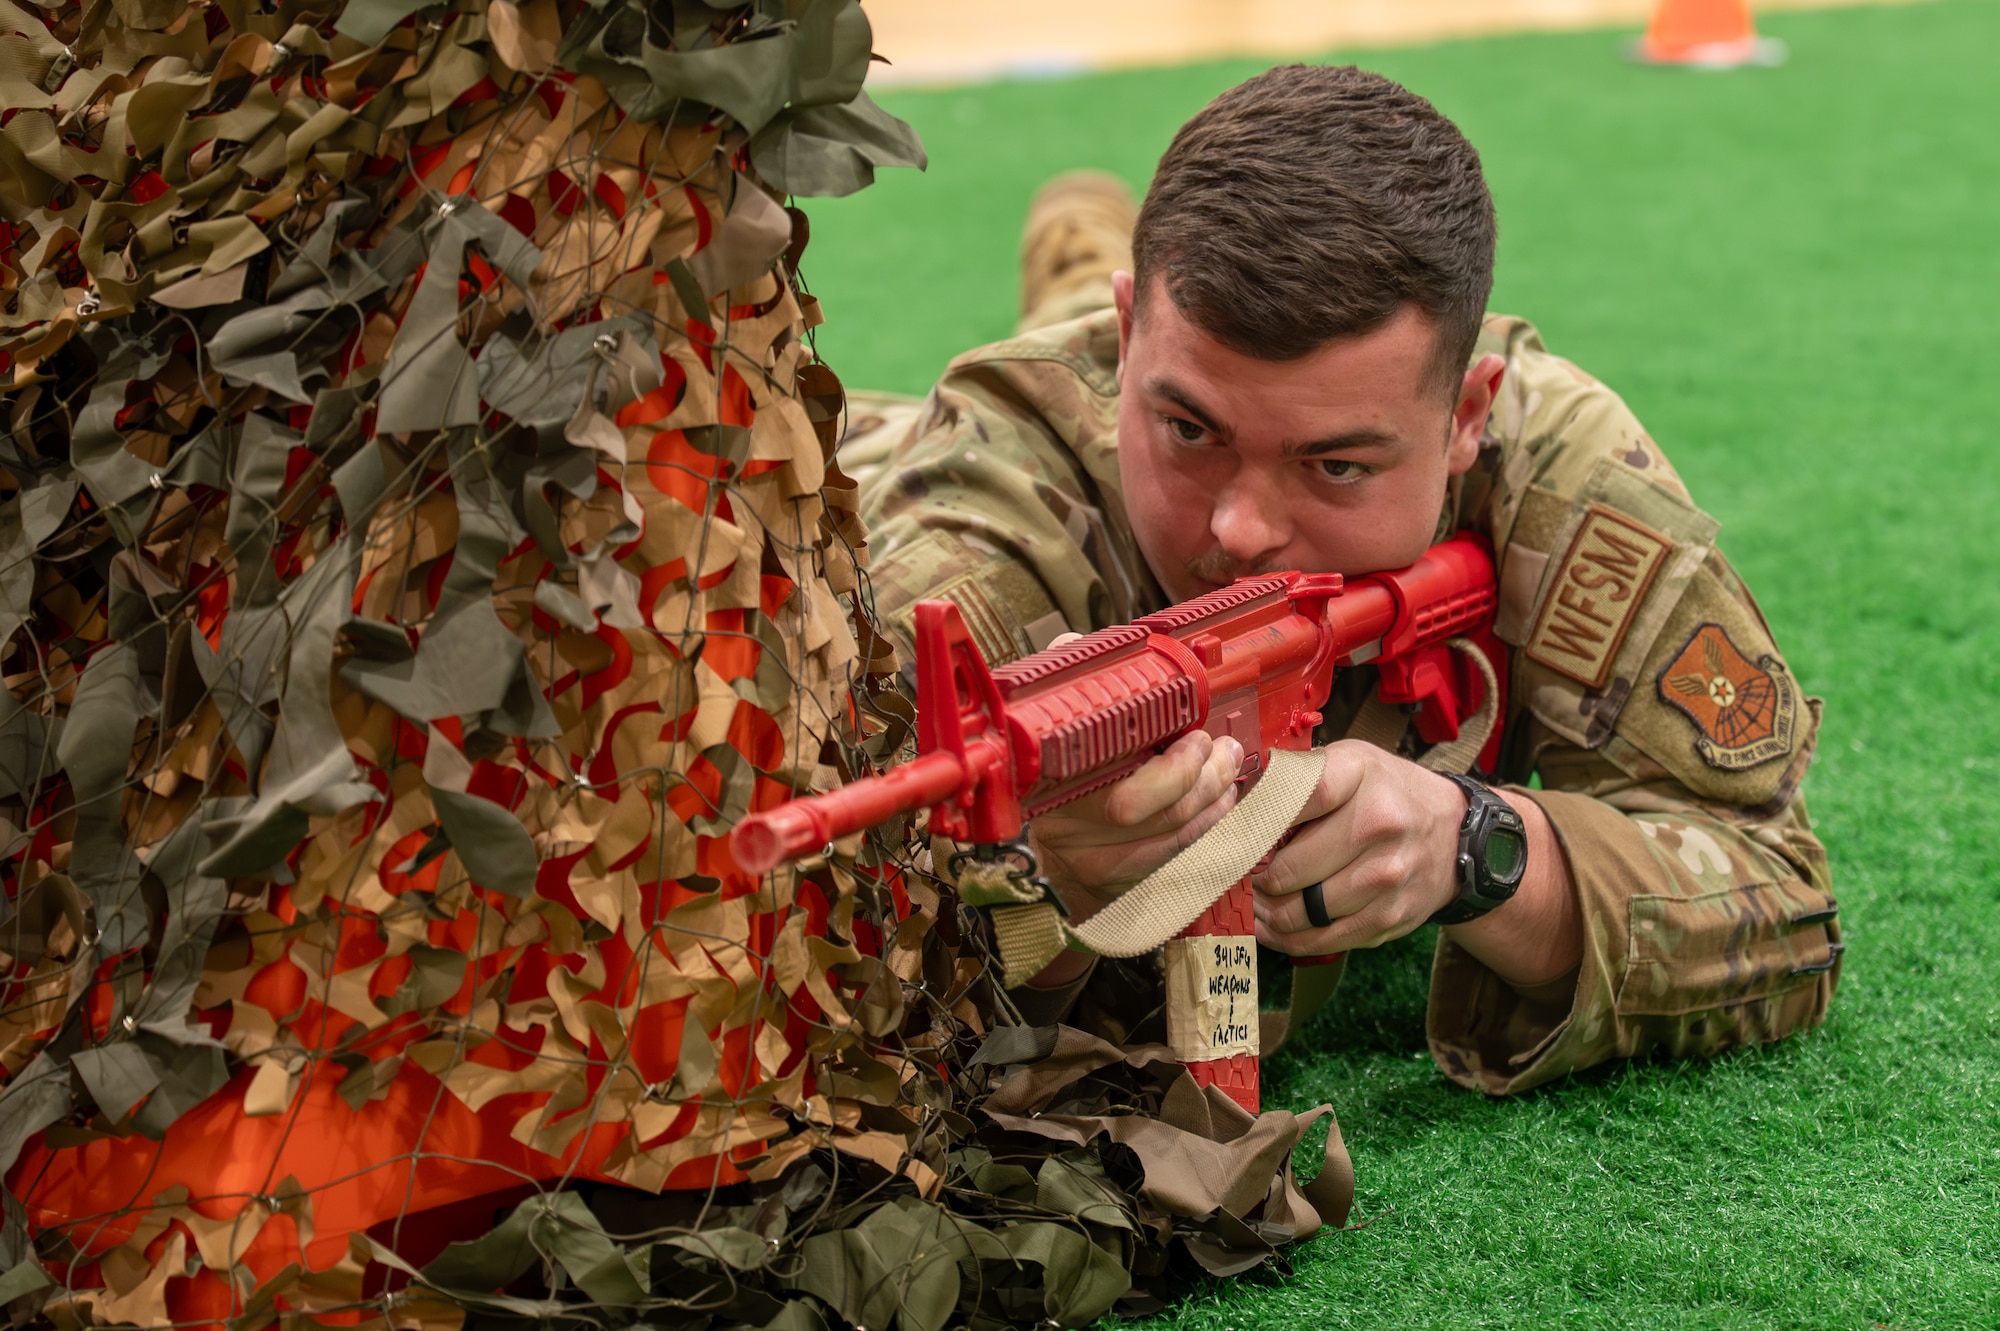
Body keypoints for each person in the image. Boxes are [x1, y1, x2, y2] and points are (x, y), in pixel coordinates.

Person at [839, 65, 1839, 1094]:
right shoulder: (975, 513)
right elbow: (829, 981)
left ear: (1462, 418)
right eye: (1188, 429)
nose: (1238, 527)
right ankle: (1081, 280)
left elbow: (1781, 906)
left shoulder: (1545, 461)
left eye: (1335, 465)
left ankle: (1101, 282)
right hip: (872, 447)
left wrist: (1478, 847)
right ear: (1129, 338)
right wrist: (1047, 878)